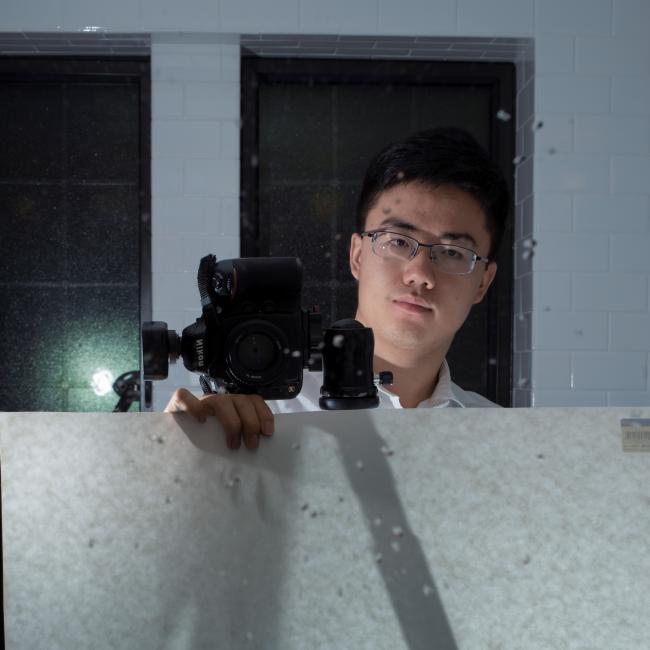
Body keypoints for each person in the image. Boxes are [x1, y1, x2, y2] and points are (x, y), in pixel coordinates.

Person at [165, 127, 510, 450]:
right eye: (398, 242)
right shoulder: (258, 414)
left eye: (452, 252)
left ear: (483, 282)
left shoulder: (501, 438)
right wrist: (181, 453)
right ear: (357, 256)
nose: (419, 274)